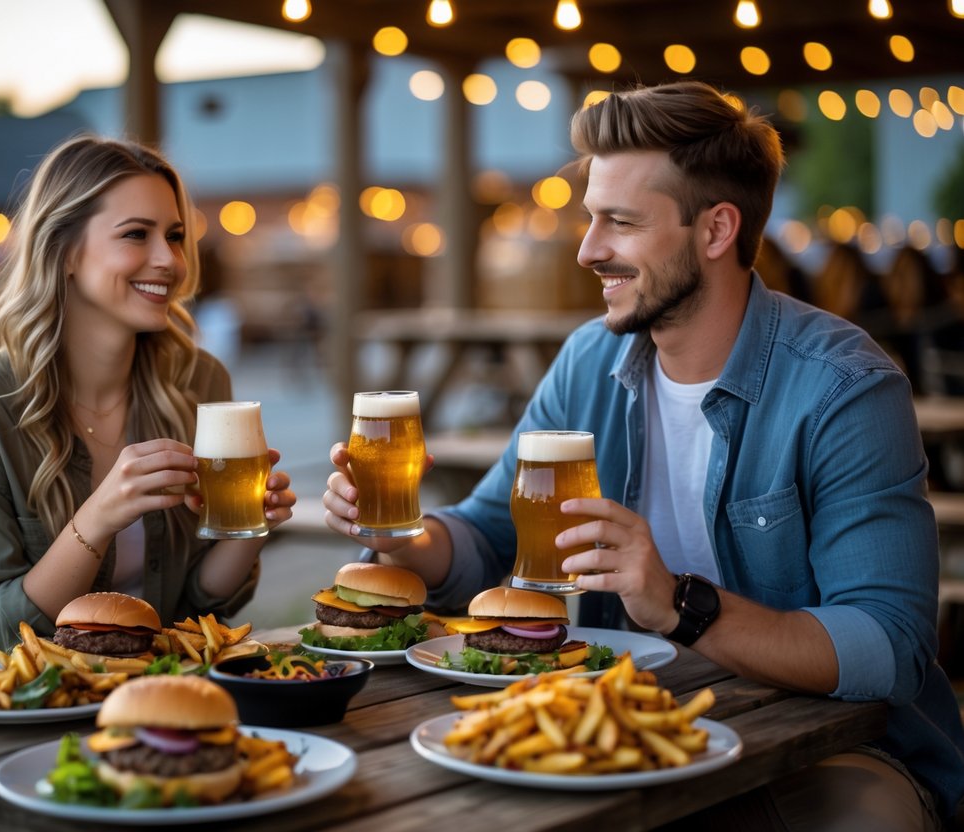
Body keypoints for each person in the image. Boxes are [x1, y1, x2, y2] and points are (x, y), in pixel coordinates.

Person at [323, 81, 964, 830]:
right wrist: (402, 537)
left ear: (715, 230)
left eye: (618, 223)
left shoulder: (843, 388)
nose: (588, 250)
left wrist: (681, 606)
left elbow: (886, 647)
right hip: (623, 735)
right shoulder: (588, 359)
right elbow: (485, 539)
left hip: (825, 749)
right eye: (590, 219)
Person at [0, 135, 295, 666]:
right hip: (2, 710)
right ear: (66, 250)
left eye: (175, 235)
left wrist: (251, 528)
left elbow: (193, 609)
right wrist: (98, 518)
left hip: (143, 693)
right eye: (136, 235)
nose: (169, 259)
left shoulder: (198, 381)